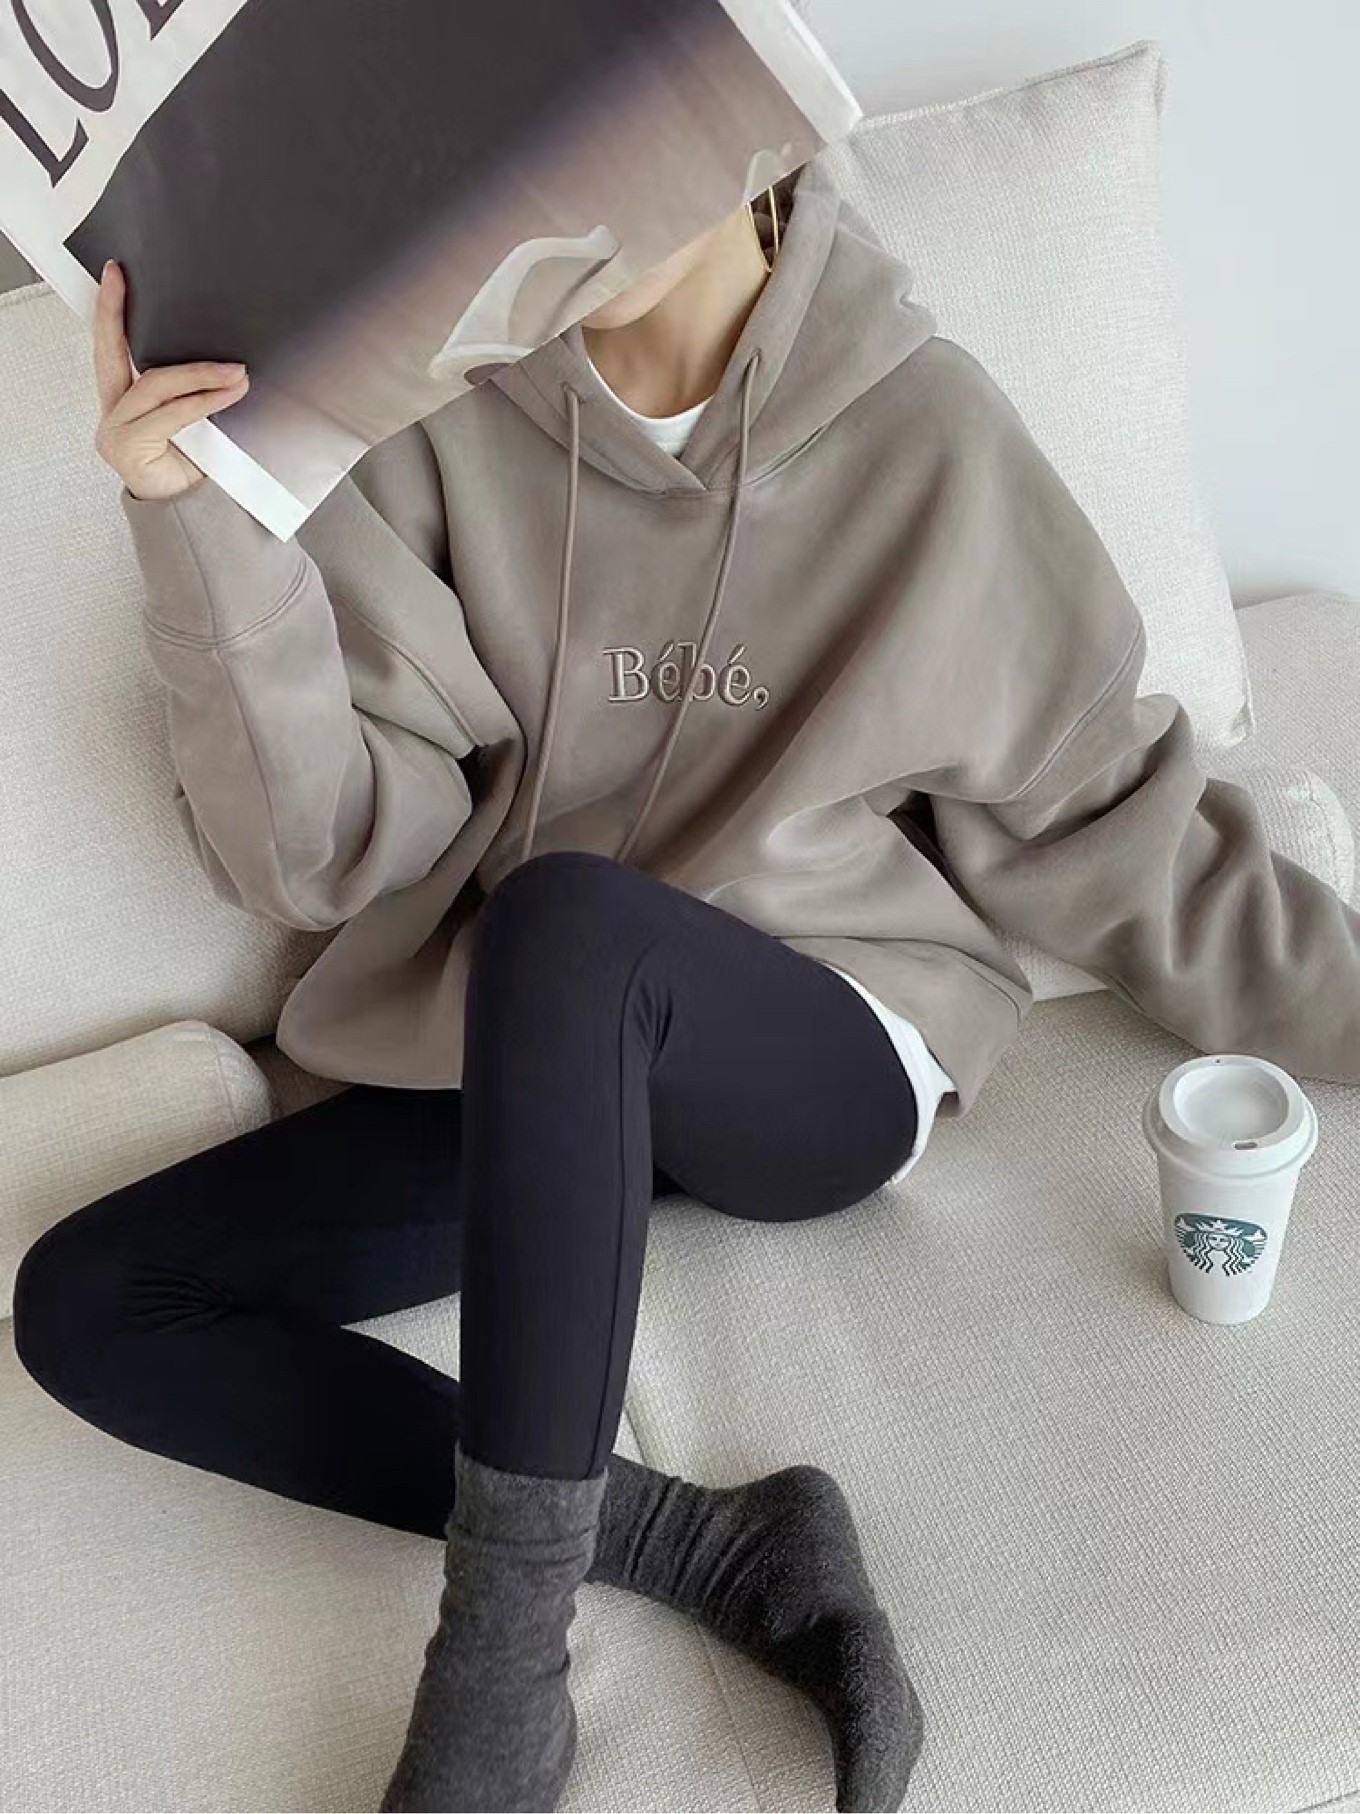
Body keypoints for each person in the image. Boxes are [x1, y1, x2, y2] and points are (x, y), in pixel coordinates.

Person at [15, 145, 1360, 1814]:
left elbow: (1118, 832)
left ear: (746, 108)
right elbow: (322, 857)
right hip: (544, 1051)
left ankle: (501, 1676)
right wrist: (199, 528)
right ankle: (725, 1552)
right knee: (92, 1299)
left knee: (572, 922)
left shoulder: (927, 429)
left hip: (820, 1042)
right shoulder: (438, 421)